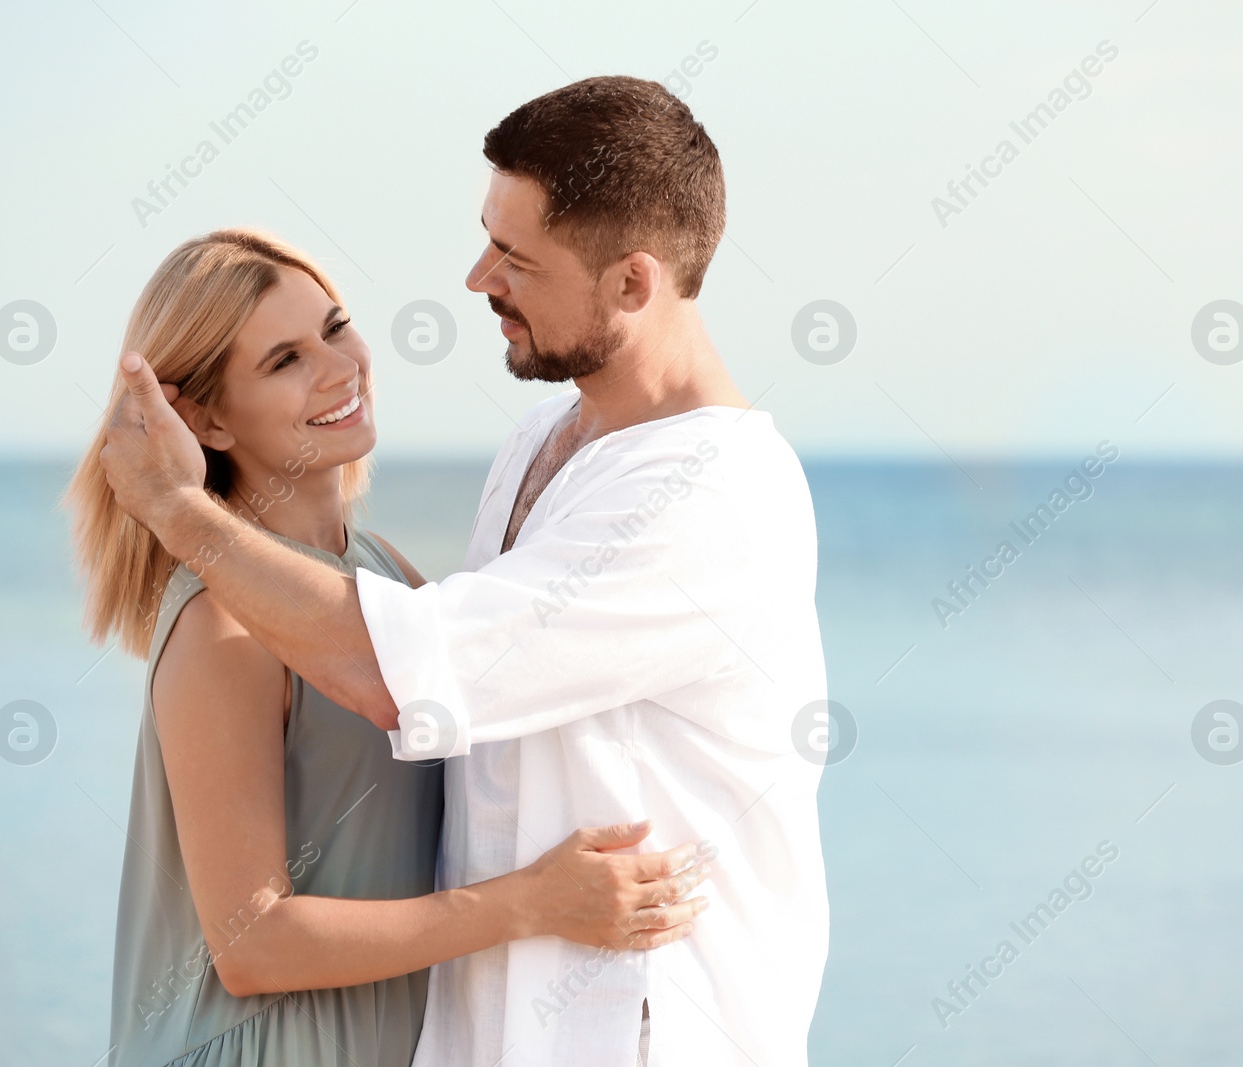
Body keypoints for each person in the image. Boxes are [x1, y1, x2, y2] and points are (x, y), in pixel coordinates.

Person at [100, 76, 829, 1066]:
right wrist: (517, 906)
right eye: (488, 235)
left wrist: (175, 509)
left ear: (631, 283)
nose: (478, 276)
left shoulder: (711, 495)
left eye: (516, 257)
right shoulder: (537, 444)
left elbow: (385, 666)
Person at [64, 228, 711, 1067]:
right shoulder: (224, 628)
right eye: (285, 360)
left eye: (335, 328)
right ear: (206, 420)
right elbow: (253, 943)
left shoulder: (384, 581)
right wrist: (532, 903)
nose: (340, 368)